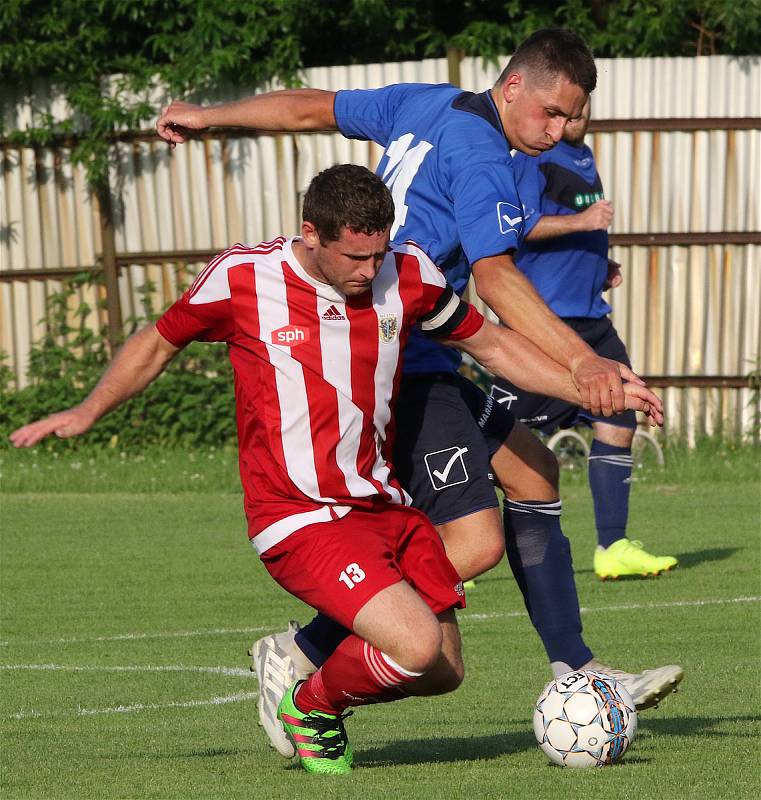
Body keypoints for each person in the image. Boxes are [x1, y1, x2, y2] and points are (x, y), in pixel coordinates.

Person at [10, 165, 664, 774]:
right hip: (295, 513)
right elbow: (158, 340)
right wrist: (88, 410)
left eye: (377, 254)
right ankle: (307, 700)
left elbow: (489, 345)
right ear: (310, 234)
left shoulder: (406, 276)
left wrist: (588, 385)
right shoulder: (244, 280)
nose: (367, 270)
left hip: (381, 507)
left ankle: (310, 693)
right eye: (354, 256)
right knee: (411, 646)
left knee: (441, 671)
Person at [156, 28, 684, 756]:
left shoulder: (429, 103)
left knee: (533, 468)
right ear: (511, 89)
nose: (560, 131)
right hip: (402, 360)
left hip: (419, 346)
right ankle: (303, 652)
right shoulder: (481, 160)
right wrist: (583, 363)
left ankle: (578, 668)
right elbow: (496, 278)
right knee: (471, 542)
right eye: (551, 115)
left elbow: (314, 107)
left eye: (572, 118)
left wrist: (215, 115)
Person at [490, 98, 678, 579]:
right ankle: (449, 536)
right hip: (546, 322)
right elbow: (519, 225)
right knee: (486, 431)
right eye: (560, 111)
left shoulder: (583, 154)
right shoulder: (534, 157)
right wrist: (584, 223)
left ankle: (612, 546)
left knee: (617, 415)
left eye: (578, 108)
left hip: (591, 316)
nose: (569, 120)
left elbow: (573, 230)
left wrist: (600, 263)